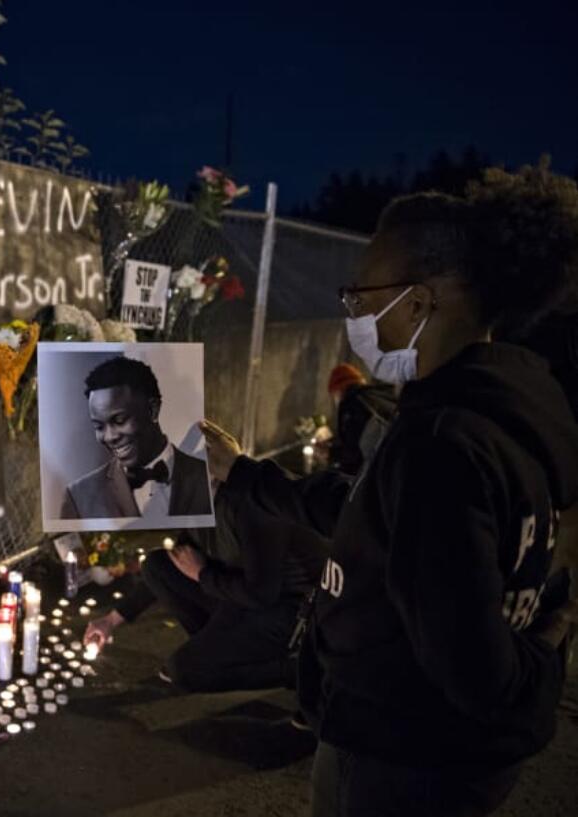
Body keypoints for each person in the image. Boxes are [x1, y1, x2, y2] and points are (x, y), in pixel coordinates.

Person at [201, 165, 578, 817]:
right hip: (448, 758)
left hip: (404, 760)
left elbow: (477, 672)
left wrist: (548, 641)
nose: (353, 310)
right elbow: (367, 514)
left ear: (419, 302)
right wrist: (241, 472)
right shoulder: (504, 408)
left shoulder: (442, 443)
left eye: (362, 293)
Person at [83, 481, 327, 693]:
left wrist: (202, 574)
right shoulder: (197, 504)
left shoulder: (250, 509)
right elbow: (182, 560)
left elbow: (261, 593)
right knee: (157, 566)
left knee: (185, 670)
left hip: (285, 610)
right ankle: (214, 650)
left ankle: (299, 672)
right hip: (236, 594)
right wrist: (112, 620)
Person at [60, 355, 212, 520]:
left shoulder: (207, 476)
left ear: (153, 410)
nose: (110, 437)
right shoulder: (79, 497)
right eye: (99, 426)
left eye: (119, 420)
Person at [326, 363, 396, 476]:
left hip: (366, 474)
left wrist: (329, 453)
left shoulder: (352, 404)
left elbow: (353, 450)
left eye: (334, 395)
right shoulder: (372, 398)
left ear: (338, 389)